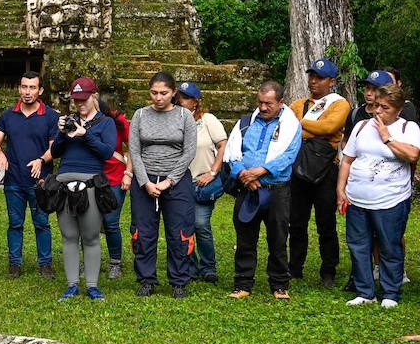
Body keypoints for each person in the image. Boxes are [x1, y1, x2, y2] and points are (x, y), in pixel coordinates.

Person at [338, 85, 420, 308]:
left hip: (391, 199)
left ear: (398, 109)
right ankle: (365, 291)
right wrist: (340, 189)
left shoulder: (408, 128)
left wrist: (387, 138)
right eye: (376, 106)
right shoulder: (361, 126)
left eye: (385, 107)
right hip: (357, 197)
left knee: (389, 246)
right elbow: (347, 159)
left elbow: (413, 155)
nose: (378, 111)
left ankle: (390, 293)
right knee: (358, 245)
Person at [225, 81, 302, 300]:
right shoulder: (245, 122)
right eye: (260, 102)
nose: (264, 107)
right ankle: (243, 284)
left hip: (276, 189)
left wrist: (260, 171)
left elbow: (288, 156)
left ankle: (279, 284)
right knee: (245, 237)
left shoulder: (291, 125)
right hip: (248, 188)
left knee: (278, 238)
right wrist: (244, 175)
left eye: (269, 103)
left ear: (280, 102)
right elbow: (233, 152)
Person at [129, 72, 197, 298]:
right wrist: (145, 182)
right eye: (154, 93)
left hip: (176, 180)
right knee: (143, 232)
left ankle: (179, 281)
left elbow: (189, 152)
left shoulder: (184, 116)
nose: (158, 98)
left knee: (179, 232)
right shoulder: (139, 115)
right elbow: (134, 151)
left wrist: (169, 181)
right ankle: (147, 279)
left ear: (174, 92)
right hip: (145, 178)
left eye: (164, 93)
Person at [51, 77, 117, 301]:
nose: (80, 104)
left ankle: (92, 285)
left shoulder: (105, 123)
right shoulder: (70, 121)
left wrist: (85, 135)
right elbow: (57, 151)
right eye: (76, 100)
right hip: (65, 183)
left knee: (90, 236)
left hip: (90, 184)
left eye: (84, 99)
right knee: (69, 236)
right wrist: (62, 133)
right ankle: (71, 285)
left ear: (94, 97)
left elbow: (107, 153)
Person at [287, 59, 352, 288]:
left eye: (320, 77)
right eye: (311, 76)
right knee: (296, 221)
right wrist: (309, 130)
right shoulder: (297, 104)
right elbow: (287, 131)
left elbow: (329, 128)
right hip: (299, 166)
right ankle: (294, 267)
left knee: (326, 222)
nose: (313, 81)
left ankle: (328, 271)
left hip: (326, 169)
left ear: (331, 81)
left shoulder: (339, 104)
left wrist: (300, 126)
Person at [0, 72, 58, 278]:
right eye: (24, 87)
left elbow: (54, 147)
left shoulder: (50, 116)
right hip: (14, 180)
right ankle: (14, 264)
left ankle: (45, 264)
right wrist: (0, 154)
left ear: (40, 91)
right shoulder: (8, 115)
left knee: (42, 224)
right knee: (15, 224)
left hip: (40, 182)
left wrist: (41, 160)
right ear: (19, 88)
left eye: (32, 88)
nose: (27, 92)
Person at [176, 82, 227, 284]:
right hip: (179, 182)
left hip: (202, 182)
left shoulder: (208, 120)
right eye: (179, 97)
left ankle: (208, 266)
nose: (180, 101)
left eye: (185, 98)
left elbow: (223, 144)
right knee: (182, 225)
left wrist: (213, 171)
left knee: (200, 224)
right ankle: (190, 267)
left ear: (195, 102)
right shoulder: (174, 120)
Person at [98, 93, 132, 279]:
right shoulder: (83, 120)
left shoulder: (117, 120)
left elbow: (133, 146)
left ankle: (115, 262)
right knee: (88, 224)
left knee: (111, 223)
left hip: (115, 177)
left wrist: (128, 173)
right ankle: (89, 260)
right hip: (92, 177)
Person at [345, 69, 420, 136]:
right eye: (367, 88)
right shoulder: (354, 114)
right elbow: (345, 141)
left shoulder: (402, 113)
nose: (369, 93)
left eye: (374, 89)